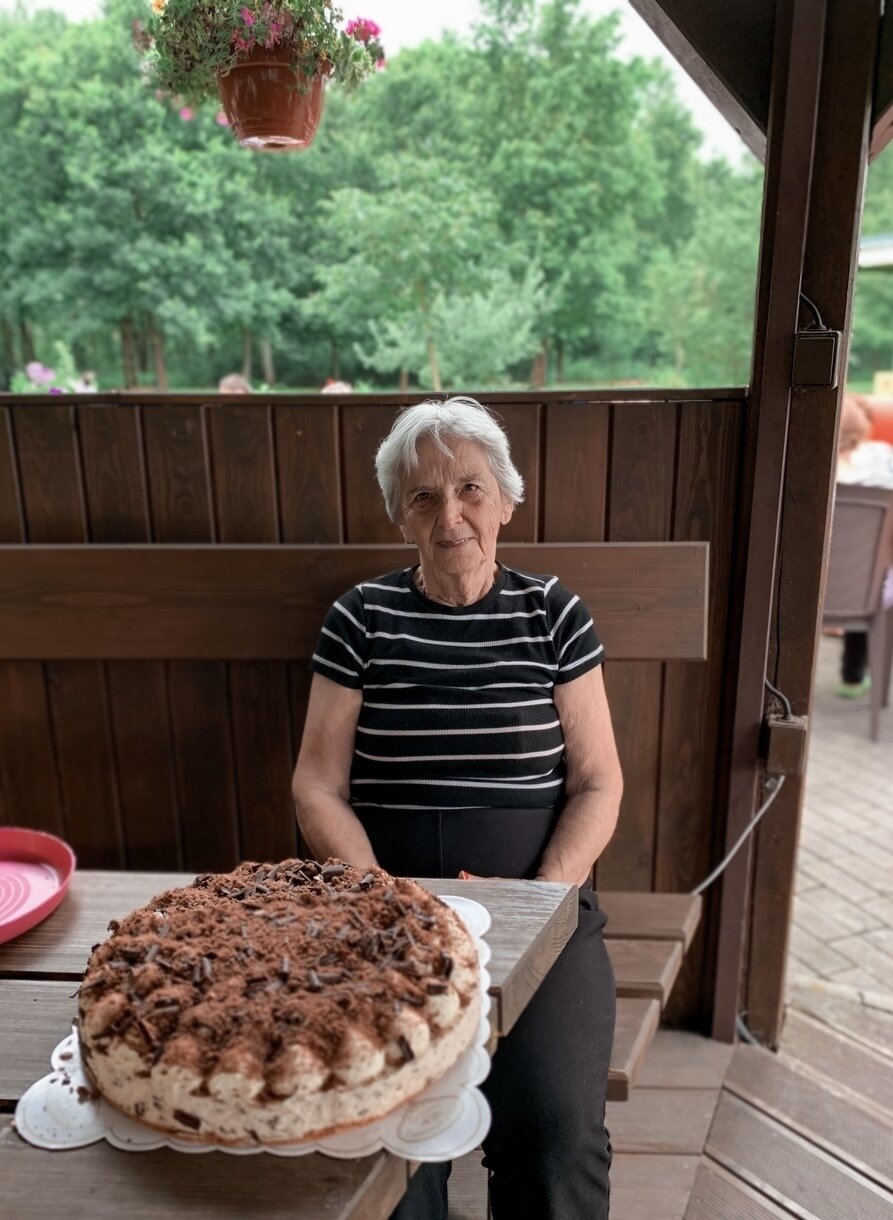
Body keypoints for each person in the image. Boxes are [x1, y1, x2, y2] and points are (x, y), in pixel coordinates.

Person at [292, 396, 622, 1220]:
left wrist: (539, 901)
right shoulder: (360, 619)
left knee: (554, 1130)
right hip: (384, 909)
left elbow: (598, 782)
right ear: (400, 515)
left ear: (505, 500)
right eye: (423, 496)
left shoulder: (552, 614)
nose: (450, 516)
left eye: (471, 488)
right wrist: (382, 900)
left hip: (539, 902)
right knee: (390, 1131)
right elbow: (316, 785)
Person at [835, 394, 893, 696]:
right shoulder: (883, 465)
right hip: (864, 589)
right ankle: (853, 677)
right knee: (876, 576)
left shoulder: (806, 472)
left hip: (808, 586)